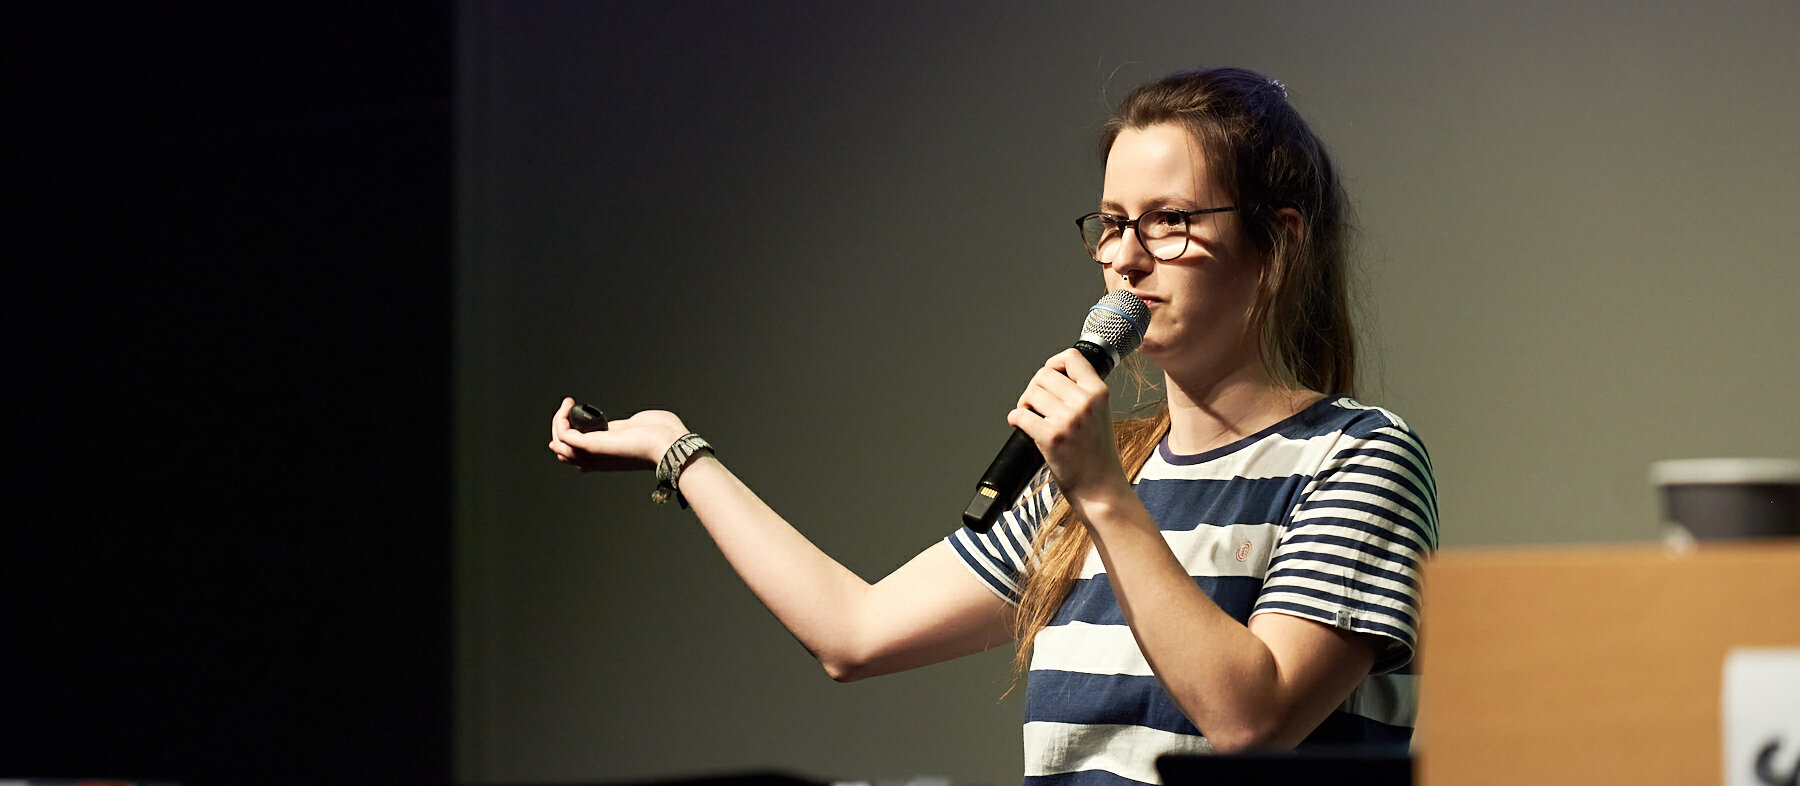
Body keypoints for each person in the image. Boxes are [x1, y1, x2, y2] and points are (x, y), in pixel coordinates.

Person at [548, 66, 1438, 785]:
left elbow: (1251, 719)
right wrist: (678, 449)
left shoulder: (1356, 458)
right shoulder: (1088, 478)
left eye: (1170, 222)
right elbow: (853, 633)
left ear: (1277, 242)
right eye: (1114, 224)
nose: (1125, 257)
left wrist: (1099, 492)